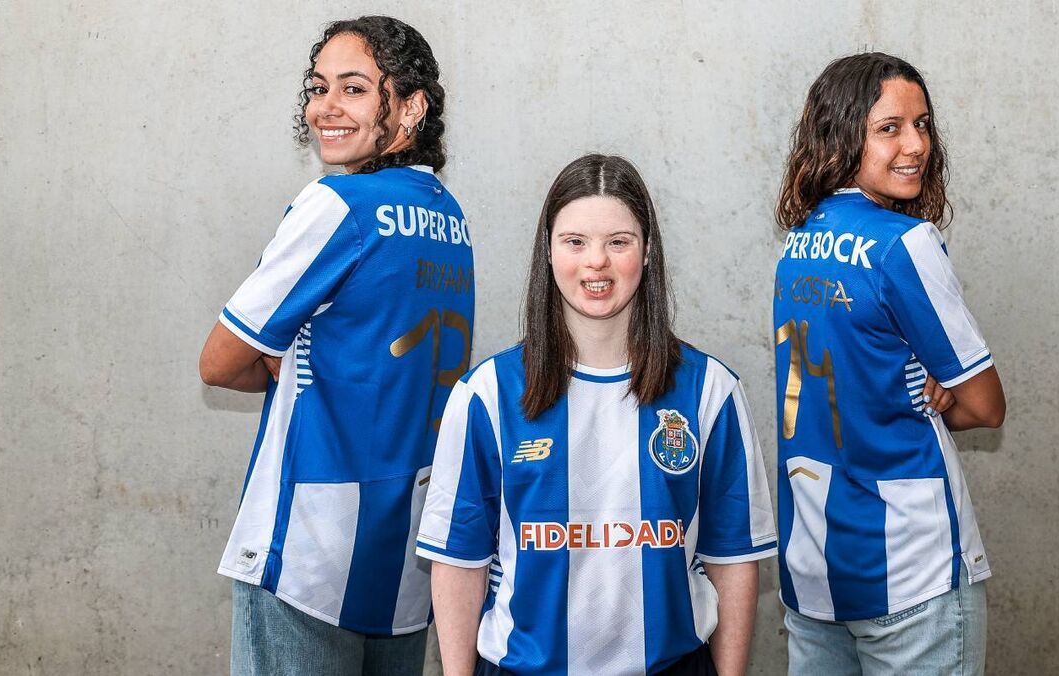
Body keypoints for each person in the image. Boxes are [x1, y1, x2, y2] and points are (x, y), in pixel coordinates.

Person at [416, 154, 777, 676]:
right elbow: (459, 563)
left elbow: (733, 560)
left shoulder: (710, 391)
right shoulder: (487, 394)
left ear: (647, 251)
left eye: (618, 242)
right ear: (548, 251)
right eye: (575, 242)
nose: (596, 263)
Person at [198, 16, 473, 675]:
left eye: (354, 88)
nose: (326, 107)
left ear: (411, 107)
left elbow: (218, 362)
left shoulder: (337, 204)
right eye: (318, 87)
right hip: (403, 562)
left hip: (309, 552)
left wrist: (284, 361)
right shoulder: (449, 217)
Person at [771, 52, 1007, 675]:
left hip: (815, 566)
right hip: (911, 569)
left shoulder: (798, 244)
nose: (917, 145)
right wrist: (941, 397)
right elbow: (987, 406)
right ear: (842, 134)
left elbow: (856, 376)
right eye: (889, 128)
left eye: (922, 124)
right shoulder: (907, 244)